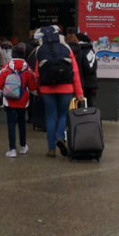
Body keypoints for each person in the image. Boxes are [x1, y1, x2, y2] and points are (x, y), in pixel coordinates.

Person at [33, 25, 84, 158]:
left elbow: (37, 74)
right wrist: (79, 93)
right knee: (62, 115)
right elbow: (75, 72)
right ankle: (60, 137)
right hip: (66, 87)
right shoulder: (66, 48)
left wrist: (38, 90)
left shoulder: (40, 50)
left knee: (50, 117)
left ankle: (51, 149)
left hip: (47, 89)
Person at [0, 43, 37, 158]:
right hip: (23, 101)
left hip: (9, 101)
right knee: (22, 123)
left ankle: (12, 149)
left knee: (11, 125)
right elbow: (33, 88)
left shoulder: (6, 67)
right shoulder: (27, 68)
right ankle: (23, 146)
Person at [71, 32, 99, 108]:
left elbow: (87, 68)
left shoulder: (80, 51)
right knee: (90, 104)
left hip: (84, 83)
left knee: (81, 104)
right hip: (91, 82)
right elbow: (91, 67)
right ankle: (90, 118)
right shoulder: (90, 50)